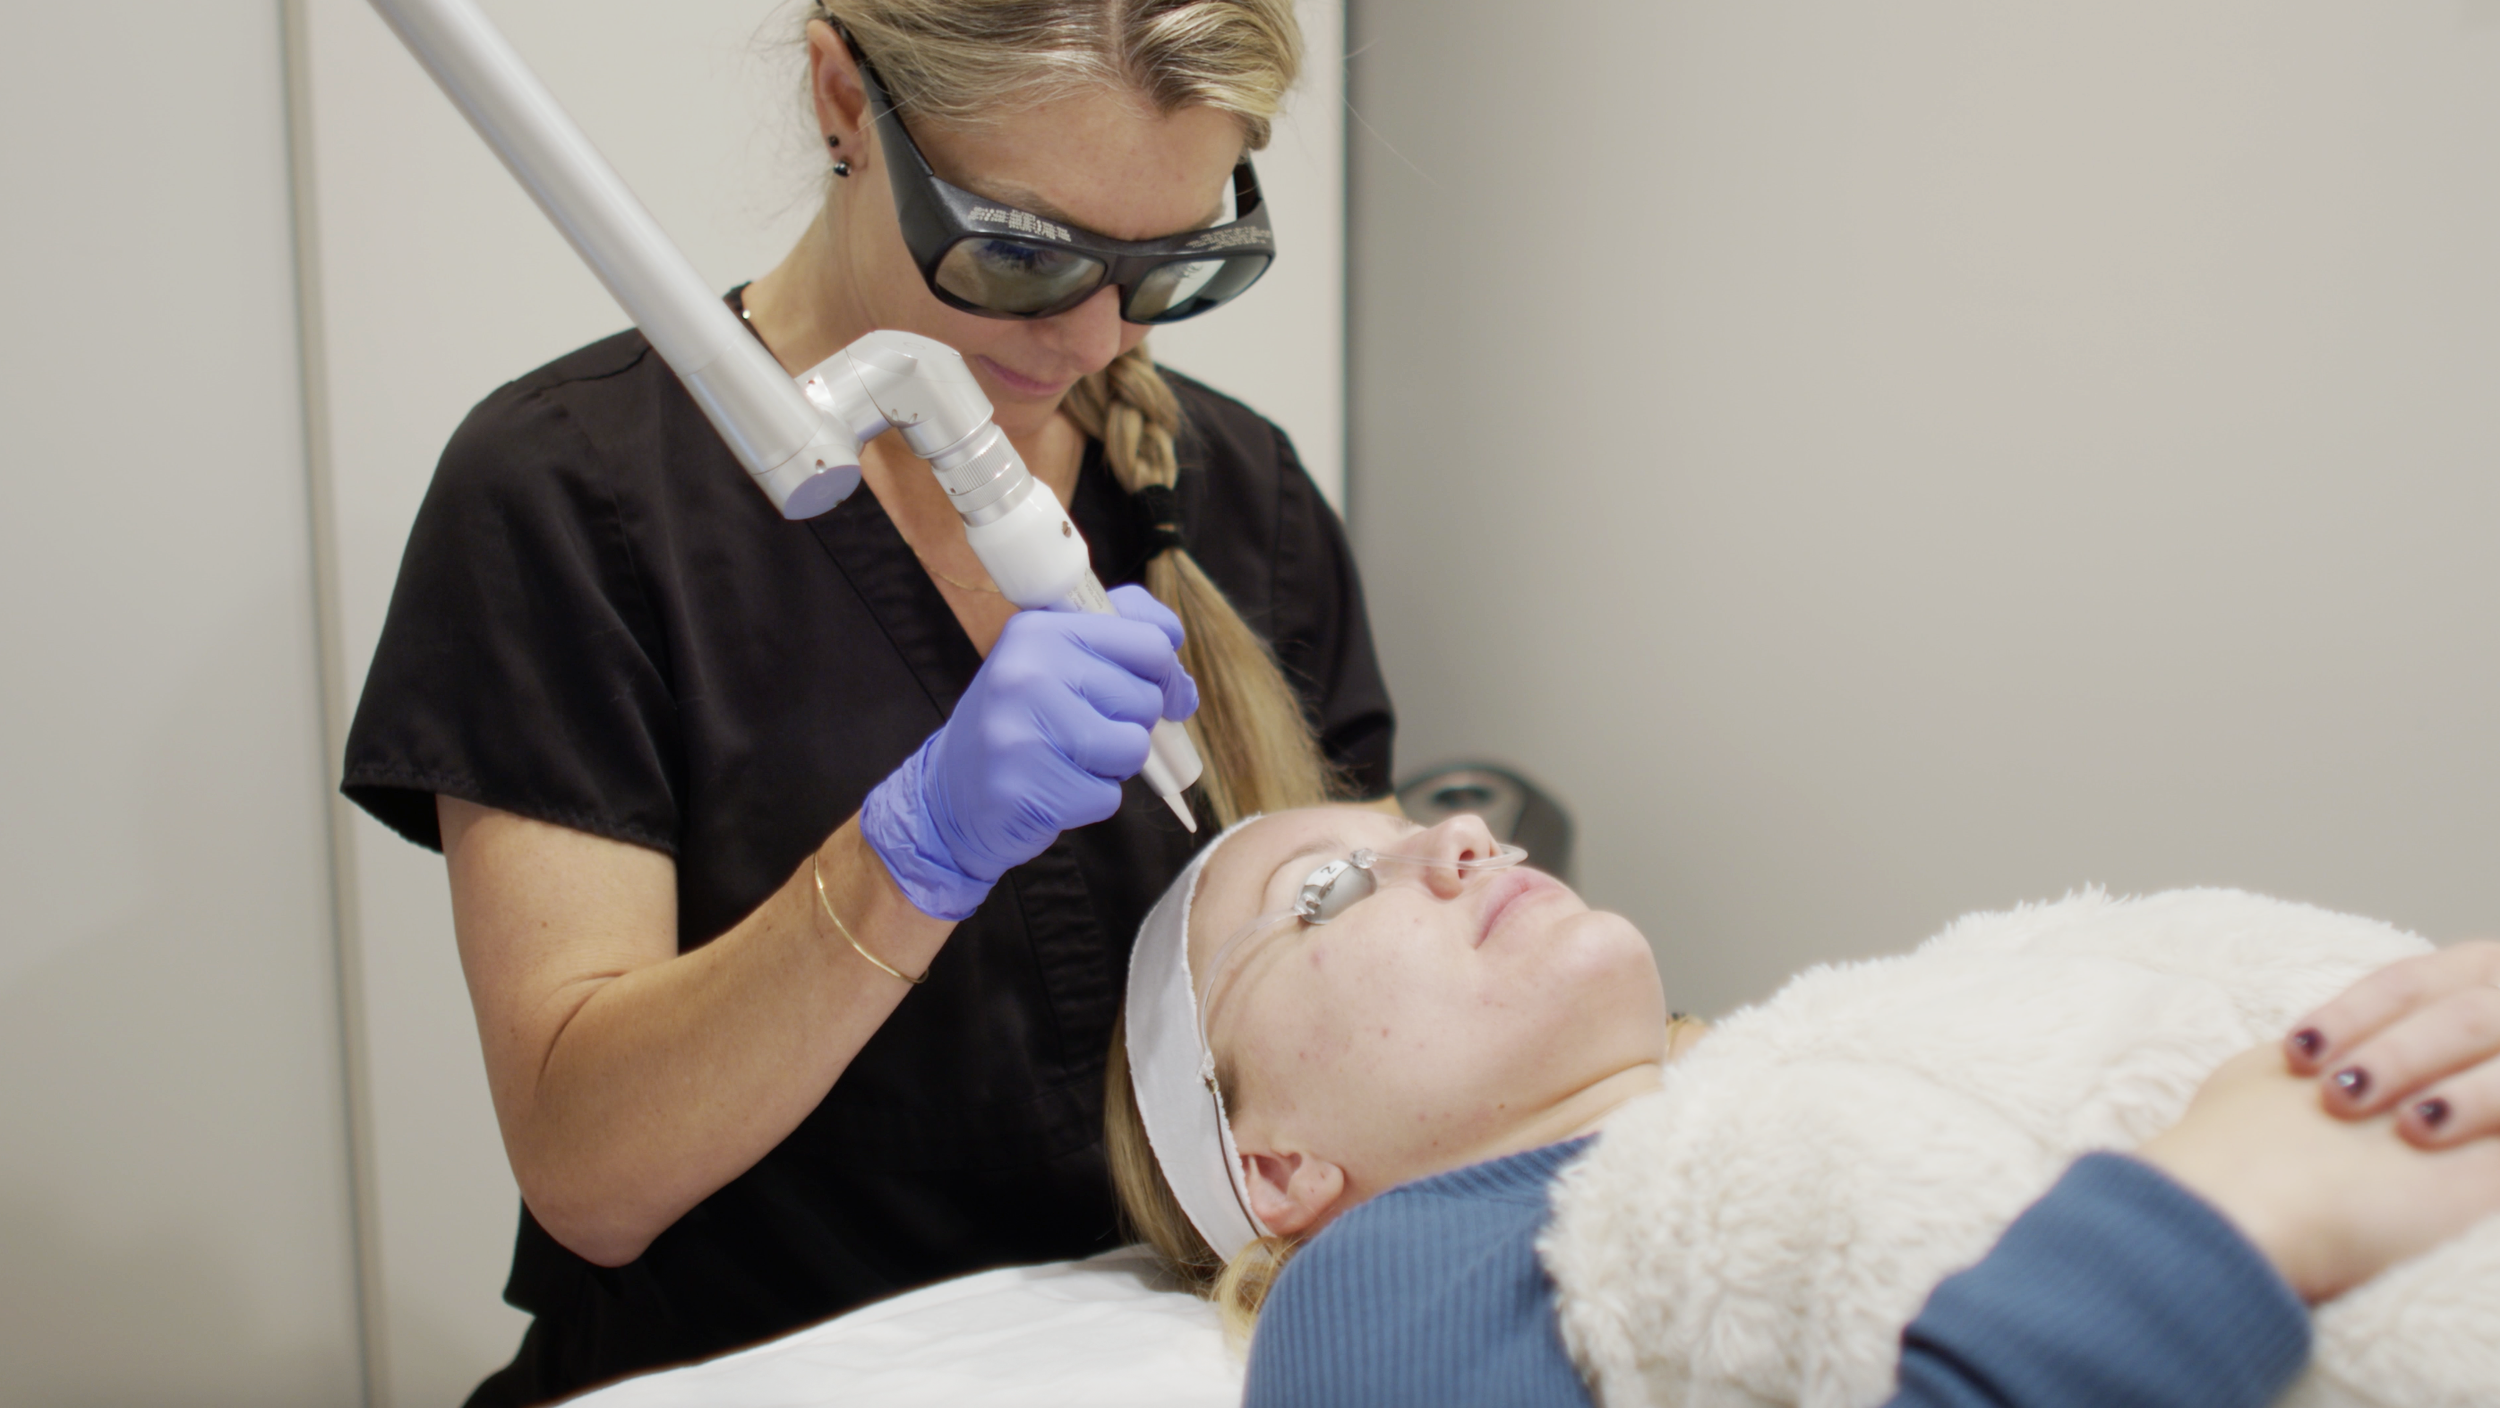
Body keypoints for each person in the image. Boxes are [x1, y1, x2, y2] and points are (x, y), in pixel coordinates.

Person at [341, 5, 1393, 1403]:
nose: (1091, 336)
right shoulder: (574, 497)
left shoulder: (1237, 492)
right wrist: (912, 854)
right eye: (1023, 251)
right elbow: (590, 1176)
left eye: (1169, 265)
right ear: (845, 96)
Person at [1106, 806, 2500, 1408]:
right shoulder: (1375, 1291)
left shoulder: (1837, 1057)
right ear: (1274, 1163)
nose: (1459, 840)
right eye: (1329, 891)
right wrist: (2223, 1219)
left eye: (1416, 823)